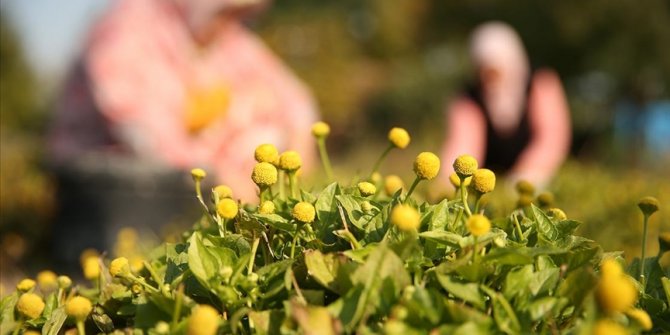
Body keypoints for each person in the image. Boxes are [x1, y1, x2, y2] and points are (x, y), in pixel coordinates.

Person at [47, 0, 317, 269]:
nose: (232, 24)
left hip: (193, 177)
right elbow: (144, 132)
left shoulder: (221, 36)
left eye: (243, 15)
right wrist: (223, 175)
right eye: (227, 11)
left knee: (258, 114)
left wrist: (297, 156)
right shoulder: (128, 25)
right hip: (111, 180)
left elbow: (294, 99)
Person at [440, 22, 571, 189]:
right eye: (483, 70)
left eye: (495, 71)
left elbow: (552, 137)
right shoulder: (468, 99)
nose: (489, 79)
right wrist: (450, 182)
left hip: (539, 180)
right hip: (486, 188)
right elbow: (463, 144)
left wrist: (525, 176)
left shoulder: (541, 82)